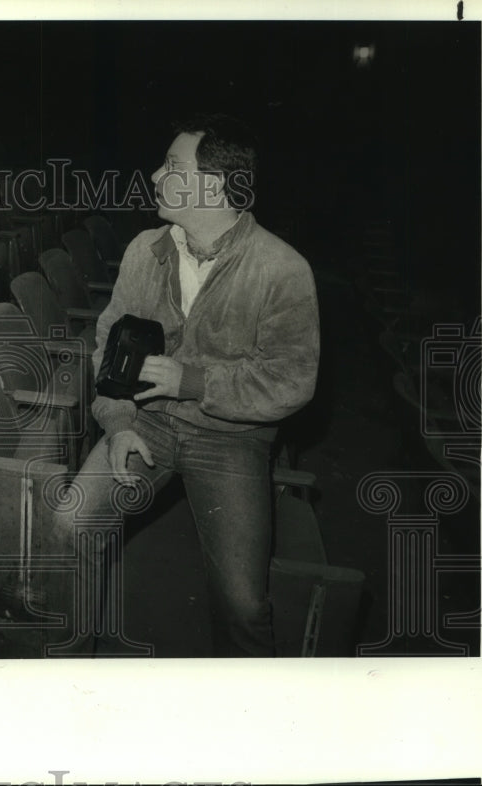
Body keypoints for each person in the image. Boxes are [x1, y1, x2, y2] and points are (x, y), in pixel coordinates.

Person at [56, 113, 320, 656]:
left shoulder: (281, 269)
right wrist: (120, 423)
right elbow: (108, 351)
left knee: (244, 605)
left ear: (215, 184)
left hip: (231, 440)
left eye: (172, 166)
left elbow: (292, 381)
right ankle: (72, 666)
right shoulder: (145, 250)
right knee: (72, 522)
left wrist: (192, 381)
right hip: (146, 425)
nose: (155, 176)